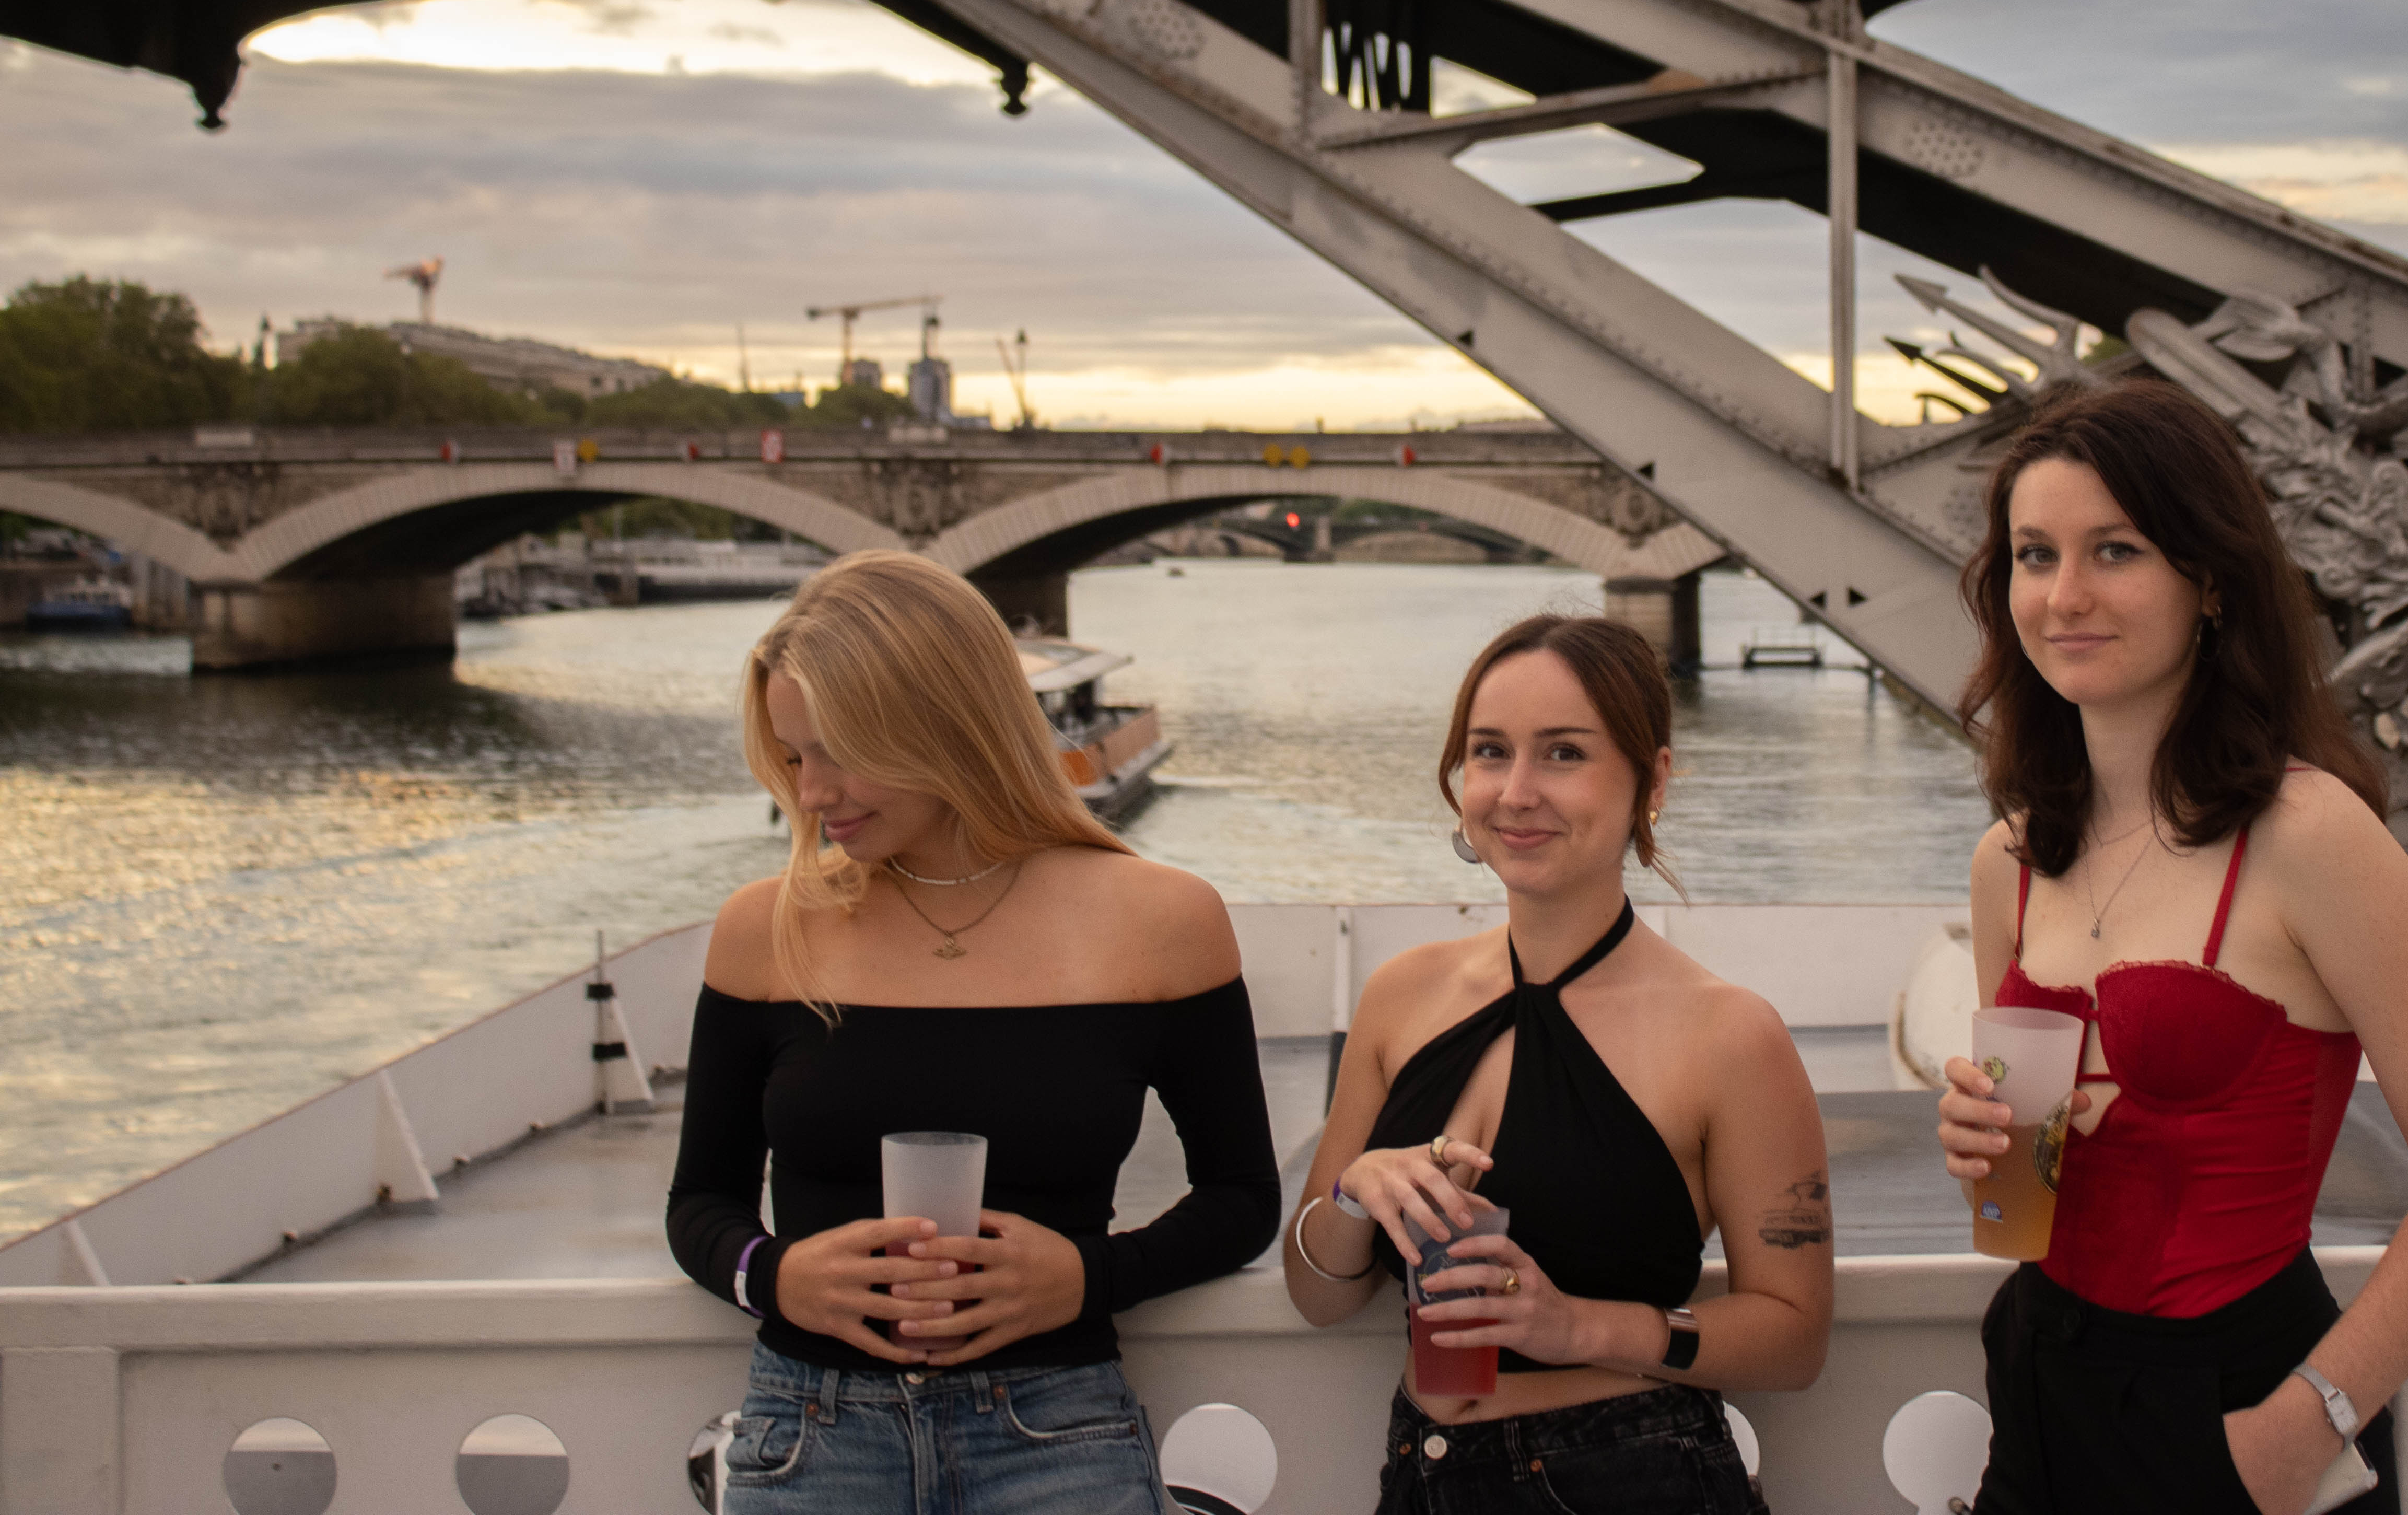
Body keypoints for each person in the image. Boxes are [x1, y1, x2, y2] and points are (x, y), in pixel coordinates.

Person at [1935, 381, 2408, 1515]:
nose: (2064, 595)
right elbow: (2027, 1194)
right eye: (2034, 554)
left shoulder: (2311, 838)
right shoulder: (2008, 859)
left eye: (2116, 550)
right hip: (2040, 1387)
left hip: (2241, 1409)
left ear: (2210, 581)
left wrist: (2306, 1426)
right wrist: (1984, 1144)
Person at [668, 549, 1279, 1513]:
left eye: (838, 751)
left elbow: (1243, 1196)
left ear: (944, 722)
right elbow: (702, 1203)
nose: (811, 792)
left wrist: (1087, 1277)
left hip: (1059, 1441)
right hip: (810, 1443)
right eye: (792, 757)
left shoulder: (1164, 920)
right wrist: (776, 1277)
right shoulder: (767, 927)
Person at [1285, 613, 1831, 1515]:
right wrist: (1354, 1193)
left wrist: (1578, 1326)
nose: (1516, 792)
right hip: (1420, 1472)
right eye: (1490, 752)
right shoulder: (1399, 996)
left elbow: (1795, 1336)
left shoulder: (1730, 1035)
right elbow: (1317, 1296)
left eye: (1565, 754)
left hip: (1631, 1476)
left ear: (1652, 779)